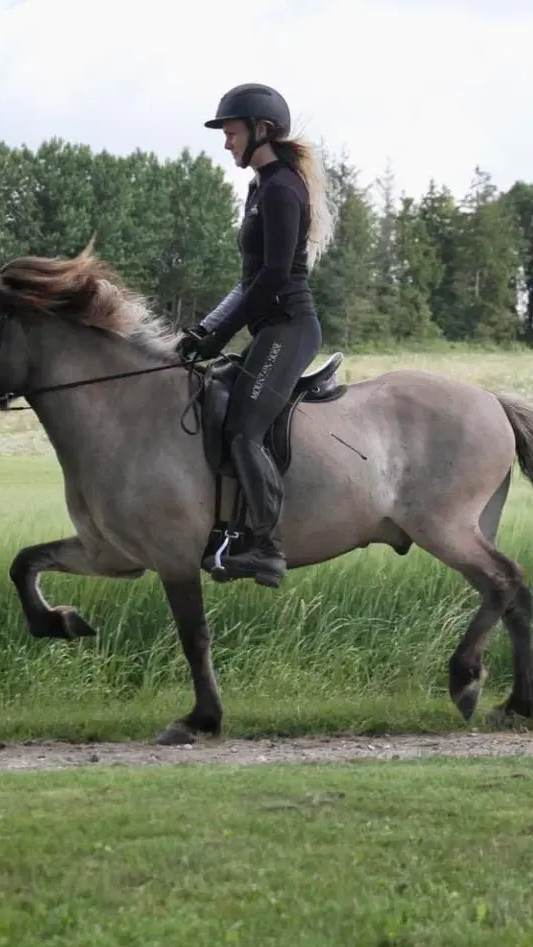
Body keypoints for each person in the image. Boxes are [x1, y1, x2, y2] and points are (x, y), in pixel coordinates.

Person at [177, 82, 336, 588]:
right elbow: (248, 282)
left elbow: (270, 278)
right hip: (268, 329)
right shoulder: (259, 187)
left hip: (290, 327)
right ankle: (226, 528)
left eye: (231, 132)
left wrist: (219, 334)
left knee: (245, 428)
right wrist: (204, 329)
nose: (226, 143)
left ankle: (265, 546)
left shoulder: (284, 187)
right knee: (215, 401)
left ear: (261, 131)